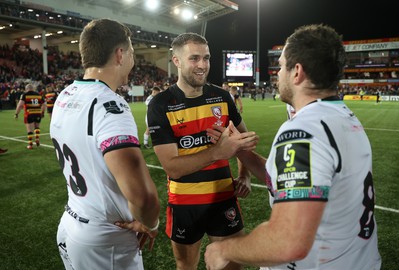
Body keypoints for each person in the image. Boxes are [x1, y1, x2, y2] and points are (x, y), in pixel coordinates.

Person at [204, 24, 381, 270]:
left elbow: (288, 241)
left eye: (281, 65)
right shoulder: (342, 117)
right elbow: (291, 179)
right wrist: (240, 151)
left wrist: (224, 249)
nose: (277, 74)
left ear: (296, 72)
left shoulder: (304, 131)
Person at [50, 18, 160, 270]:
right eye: (132, 53)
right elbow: (143, 196)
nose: (133, 60)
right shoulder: (110, 106)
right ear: (120, 54)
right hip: (105, 241)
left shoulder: (64, 96)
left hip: (72, 222)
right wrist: (150, 225)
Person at [147, 32, 258, 270]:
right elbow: (172, 167)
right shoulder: (161, 105)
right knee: (187, 266)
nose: (202, 65)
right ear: (176, 61)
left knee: (232, 265)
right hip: (185, 204)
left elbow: (243, 142)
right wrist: (217, 152)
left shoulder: (221, 96)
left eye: (206, 58)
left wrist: (245, 175)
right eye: (194, 58)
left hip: (224, 198)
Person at [14, 83, 46, 149]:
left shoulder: (24, 95)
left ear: (26, 89)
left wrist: (16, 113)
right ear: (33, 88)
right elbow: (44, 104)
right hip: (38, 113)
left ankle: (30, 145)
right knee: (37, 127)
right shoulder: (39, 95)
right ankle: (37, 139)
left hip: (29, 113)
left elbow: (20, 105)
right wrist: (42, 112)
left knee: (30, 130)